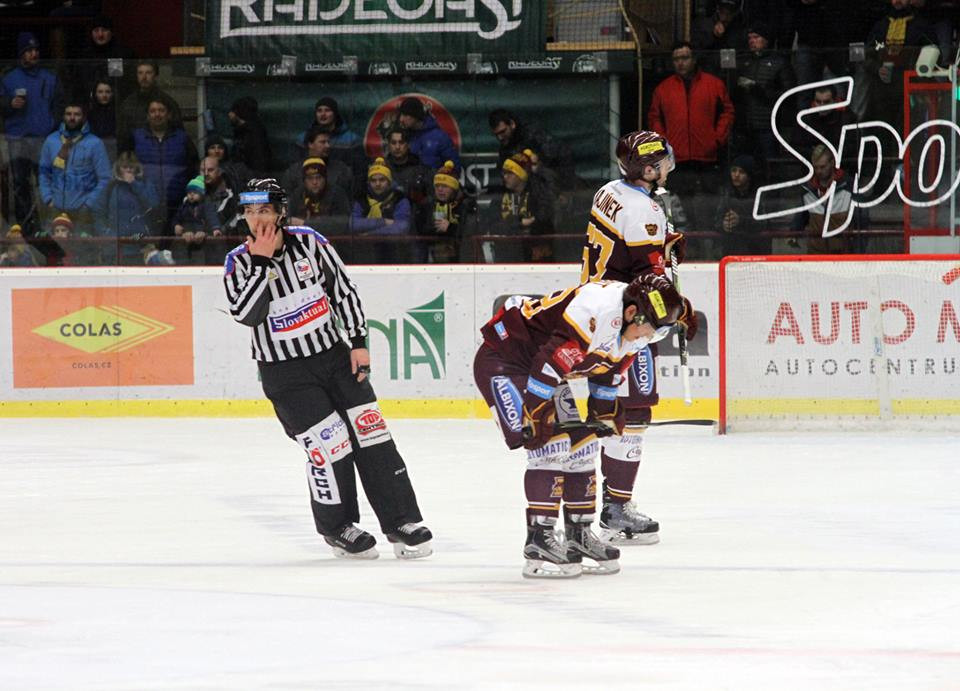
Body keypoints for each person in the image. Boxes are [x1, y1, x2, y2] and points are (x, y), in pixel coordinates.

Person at [222, 178, 433, 560]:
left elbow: (343, 292)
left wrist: (358, 342)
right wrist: (262, 263)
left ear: (280, 212)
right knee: (330, 444)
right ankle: (338, 528)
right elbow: (247, 313)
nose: (257, 219)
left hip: (334, 358)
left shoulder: (310, 242)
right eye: (250, 212)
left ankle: (401, 521)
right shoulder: (238, 261)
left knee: (373, 434)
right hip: (286, 374)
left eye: (264, 210)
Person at [473, 274, 688, 578]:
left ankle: (579, 534)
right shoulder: (594, 310)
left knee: (583, 445)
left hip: (545, 369)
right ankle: (539, 539)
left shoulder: (639, 324)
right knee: (549, 444)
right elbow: (550, 361)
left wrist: (604, 408)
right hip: (506, 360)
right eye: (651, 327)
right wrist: (535, 409)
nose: (651, 336)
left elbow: (610, 368)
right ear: (631, 313)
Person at [580, 131, 698, 545]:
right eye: (662, 161)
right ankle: (615, 509)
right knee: (633, 413)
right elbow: (648, 278)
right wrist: (675, 306)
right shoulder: (643, 209)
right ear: (647, 169)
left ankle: (598, 505)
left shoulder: (609, 191)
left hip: (598, 309)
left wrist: (662, 245)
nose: (668, 164)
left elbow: (627, 251)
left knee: (610, 410)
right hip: (626, 321)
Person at [648, 41, 734, 232]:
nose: (680, 63)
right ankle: (690, 243)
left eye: (684, 58)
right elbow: (655, 118)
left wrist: (717, 139)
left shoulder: (714, 85)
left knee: (709, 205)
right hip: (677, 158)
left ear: (694, 59)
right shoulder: (663, 89)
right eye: (676, 59)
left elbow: (727, 113)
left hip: (707, 156)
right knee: (682, 207)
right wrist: (665, 144)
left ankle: (709, 240)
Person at [1, 32, 62, 235]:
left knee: (46, 182)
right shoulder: (9, 79)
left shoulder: (50, 78)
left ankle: (51, 227)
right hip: (18, 138)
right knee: (20, 184)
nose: (33, 54)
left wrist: (53, 129)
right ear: (21, 54)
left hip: (44, 138)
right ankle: (27, 228)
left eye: (35, 50)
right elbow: (1, 105)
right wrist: (9, 104)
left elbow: (59, 106)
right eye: (28, 51)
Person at [732, 22, 796, 177]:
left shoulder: (779, 62)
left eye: (756, 37)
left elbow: (789, 95)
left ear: (766, 39)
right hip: (746, 125)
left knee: (770, 166)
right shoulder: (744, 62)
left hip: (768, 125)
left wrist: (760, 91)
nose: (752, 41)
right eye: (750, 38)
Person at [38, 101, 111, 231]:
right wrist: (48, 199)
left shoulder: (95, 143)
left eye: (77, 114)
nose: (72, 118)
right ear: (63, 116)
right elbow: (44, 173)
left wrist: (89, 204)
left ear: (84, 117)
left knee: (82, 243)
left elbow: (105, 178)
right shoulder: (51, 141)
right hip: (55, 208)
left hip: (83, 210)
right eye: (68, 114)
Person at [130, 99, 199, 225]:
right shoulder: (136, 137)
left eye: (161, 110)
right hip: (144, 204)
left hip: (178, 205)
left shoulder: (182, 138)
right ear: (147, 115)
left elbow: (194, 169)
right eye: (153, 111)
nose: (157, 114)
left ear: (169, 115)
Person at [792, 144, 868, 253]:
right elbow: (800, 217)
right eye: (816, 167)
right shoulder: (807, 191)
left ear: (832, 163)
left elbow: (861, 221)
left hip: (843, 254)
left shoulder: (850, 187)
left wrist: (858, 251)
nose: (819, 171)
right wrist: (793, 233)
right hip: (815, 254)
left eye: (822, 167)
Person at [93, 151, 161, 265]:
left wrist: (134, 184)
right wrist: (106, 233)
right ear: (119, 168)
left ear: (136, 168)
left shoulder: (145, 183)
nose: (128, 170)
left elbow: (153, 204)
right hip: (115, 245)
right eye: (125, 167)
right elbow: (98, 211)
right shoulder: (111, 187)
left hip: (140, 242)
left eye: (131, 167)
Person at [488, 108, 576, 192]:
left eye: (503, 132)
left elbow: (556, 156)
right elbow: (504, 171)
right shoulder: (505, 147)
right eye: (496, 134)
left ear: (512, 124)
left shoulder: (533, 134)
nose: (500, 138)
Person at [495, 149, 556, 262]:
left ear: (521, 175)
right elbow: (493, 225)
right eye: (504, 173)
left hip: (536, 256)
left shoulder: (537, 194)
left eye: (510, 173)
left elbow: (544, 218)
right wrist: (520, 223)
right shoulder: (498, 196)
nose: (505, 177)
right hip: (507, 257)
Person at [712, 154, 770, 256]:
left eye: (741, 172)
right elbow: (716, 222)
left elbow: (764, 224)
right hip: (730, 252)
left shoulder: (760, 195)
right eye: (734, 171)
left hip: (755, 251)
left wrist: (740, 221)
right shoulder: (726, 196)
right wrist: (723, 225)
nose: (736, 175)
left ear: (749, 175)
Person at [117, 61, 182, 148]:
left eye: (148, 73)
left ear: (155, 76)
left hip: (163, 149)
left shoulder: (168, 102)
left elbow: (177, 132)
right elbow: (122, 134)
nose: (144, 77)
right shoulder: (128, 104)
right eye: (140, 73)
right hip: (136, 150)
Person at [282, 126, 356, 202]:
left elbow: (349, 200)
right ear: (310, 144)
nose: (327, 146)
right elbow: (286, 201)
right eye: (322, 142)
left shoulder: (342, 170)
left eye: (328, 142)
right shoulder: (294, 172)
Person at [424, 160, 477, 263]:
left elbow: (469, 232)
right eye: (437, 186)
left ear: (454, 188)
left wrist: (450, 227)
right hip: (436, 256)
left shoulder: (466, 205)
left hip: (463, 259)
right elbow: (422, 230)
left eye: (444, 186)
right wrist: (433, 228)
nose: (440, 190)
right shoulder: (430, 204)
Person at [397, 96, 460, 170]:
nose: (401, 119)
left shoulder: (440, 138)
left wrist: (443, 172)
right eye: (401, 115)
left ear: (415, 115)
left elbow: (454, 167)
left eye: (405, 115)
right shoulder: (403, 136)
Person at [288, 157, 351, 230]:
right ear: (304, 181)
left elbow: (343, 223)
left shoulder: (337, 193)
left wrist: (306, 224)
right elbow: (287, 220)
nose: (314, 182)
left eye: (318, 178)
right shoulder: (297, 195)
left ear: (325, 179)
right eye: (310, 178)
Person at [172, 175, 221, 264]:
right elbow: (177, 217)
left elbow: (211, 217)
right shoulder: (184, 206)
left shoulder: (206, 205)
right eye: (189, 192)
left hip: (201, 239)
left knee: (199, 260)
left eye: (195, 192)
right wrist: (176, 225)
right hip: (186, 238)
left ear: (202, 194)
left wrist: (215, 228)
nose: (191, 195)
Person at [228, 96, 272, 177]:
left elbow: (257, 160)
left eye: (232, 111)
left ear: (238, 113)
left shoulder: (251, 134)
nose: (229, 115)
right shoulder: (249, 131)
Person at [87, 79, 117, 157]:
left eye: (107, 92)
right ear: (95, 94)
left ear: (112, 94)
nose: (104, 95)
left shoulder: (118, 113)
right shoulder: (89, 114)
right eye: (100, 92)